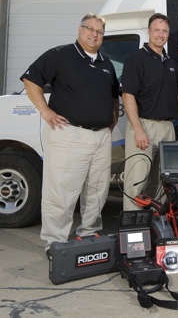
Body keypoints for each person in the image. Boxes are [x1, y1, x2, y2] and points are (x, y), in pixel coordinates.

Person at [20, 13, 119, 257]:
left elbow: (114, 94)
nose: (94, 34)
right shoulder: (60, 55)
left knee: (97, 191)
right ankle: (55, 243)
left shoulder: (106, 63)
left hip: (101, 137)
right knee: (61, 192)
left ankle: (89, 233)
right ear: (80, 29)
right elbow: (30, 79)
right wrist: (44, 110)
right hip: (69, 135)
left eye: (99, 31)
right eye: (90, 29)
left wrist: (112, 119)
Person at [121, 13, 178, 211]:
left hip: (167, 128)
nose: (160, 35)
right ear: (149, 32)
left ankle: (154, 227)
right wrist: (138, 129)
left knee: (161, 184)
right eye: (157, 30)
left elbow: (176, 94)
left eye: (165, 31)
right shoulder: (136, 60)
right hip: (144, 126)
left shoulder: (170, 62)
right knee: (137, 182)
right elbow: (128, 96)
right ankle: (133, 232)